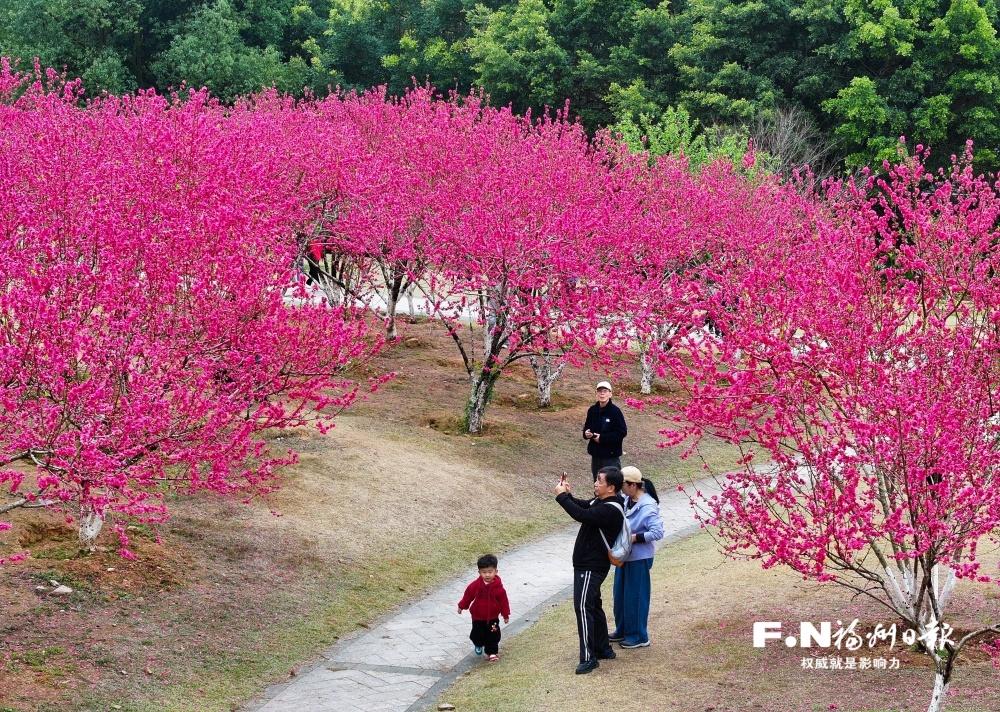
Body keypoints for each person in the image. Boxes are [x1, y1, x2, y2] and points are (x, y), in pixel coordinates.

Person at [555, 466, 625, 674]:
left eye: (600, 481)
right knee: (593, 605)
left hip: (591, 566)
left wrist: (561, 498)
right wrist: (567, 495)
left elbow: (581, 515)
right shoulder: (603, 502)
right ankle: (603, 648)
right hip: (590, 564)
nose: (595, 483)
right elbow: (585, 507)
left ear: (611, 487)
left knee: (583, 608)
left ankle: (588, 657)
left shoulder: (611, 508)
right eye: (596, 479)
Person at [611, 466, 664, 649]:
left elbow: (657, 532)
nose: (620, 488)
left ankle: (639, 635)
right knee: (620, 595)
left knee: (636, 596)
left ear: (632, 485)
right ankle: (623, 629)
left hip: (639, 557)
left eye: (622, 484)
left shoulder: (648, 505)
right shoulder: (628, 499)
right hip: (625, 555)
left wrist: (635, 537)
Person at [457, 554, 510, 662]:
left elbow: (504, 602)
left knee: (493, 635)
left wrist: (505, 614)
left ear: (496, 571)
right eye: (484, 572)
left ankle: (492, 653)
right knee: (477, 634)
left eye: (490, 572)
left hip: (493, 617)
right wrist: (462, 606)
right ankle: (478, 644)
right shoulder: (476, 585)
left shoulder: (499, 588)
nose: (487, 575)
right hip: (477, 616)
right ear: (479, 572)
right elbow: (468, 595)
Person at [582, 381, 627, 480]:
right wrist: (586, 433)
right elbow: (587, 427)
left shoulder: (615, 411)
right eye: (600, 391)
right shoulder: (592, 410)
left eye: (605, 391)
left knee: (612, 485)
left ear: (610, 394)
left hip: (611, 456)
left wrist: (602, 438)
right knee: (597, 484)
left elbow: (622, 432)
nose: (602, 393)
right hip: (596, 454)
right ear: (596, 393)